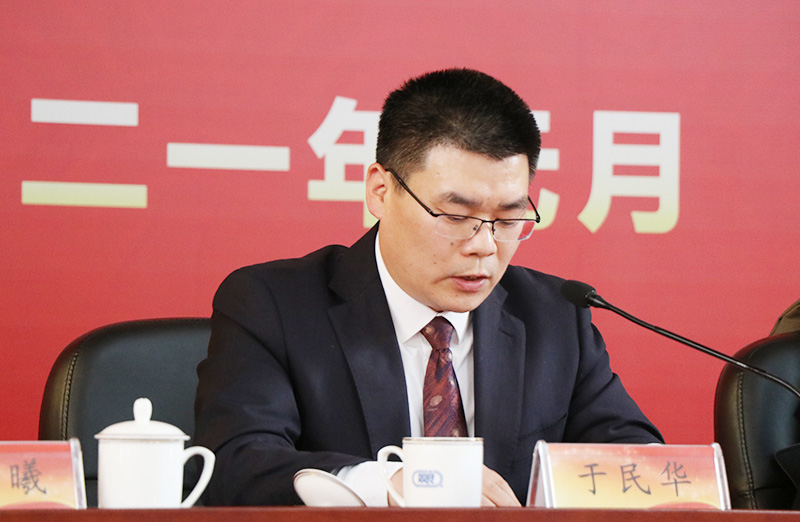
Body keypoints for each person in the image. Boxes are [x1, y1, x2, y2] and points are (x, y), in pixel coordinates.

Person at [193, 68, 663, 507]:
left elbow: (638, 465)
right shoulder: (274, 305)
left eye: (508, 219)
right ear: (380, 191)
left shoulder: (555, 317)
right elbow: (236, 464)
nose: (484, 246)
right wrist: (399, 483)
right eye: (455, 216)